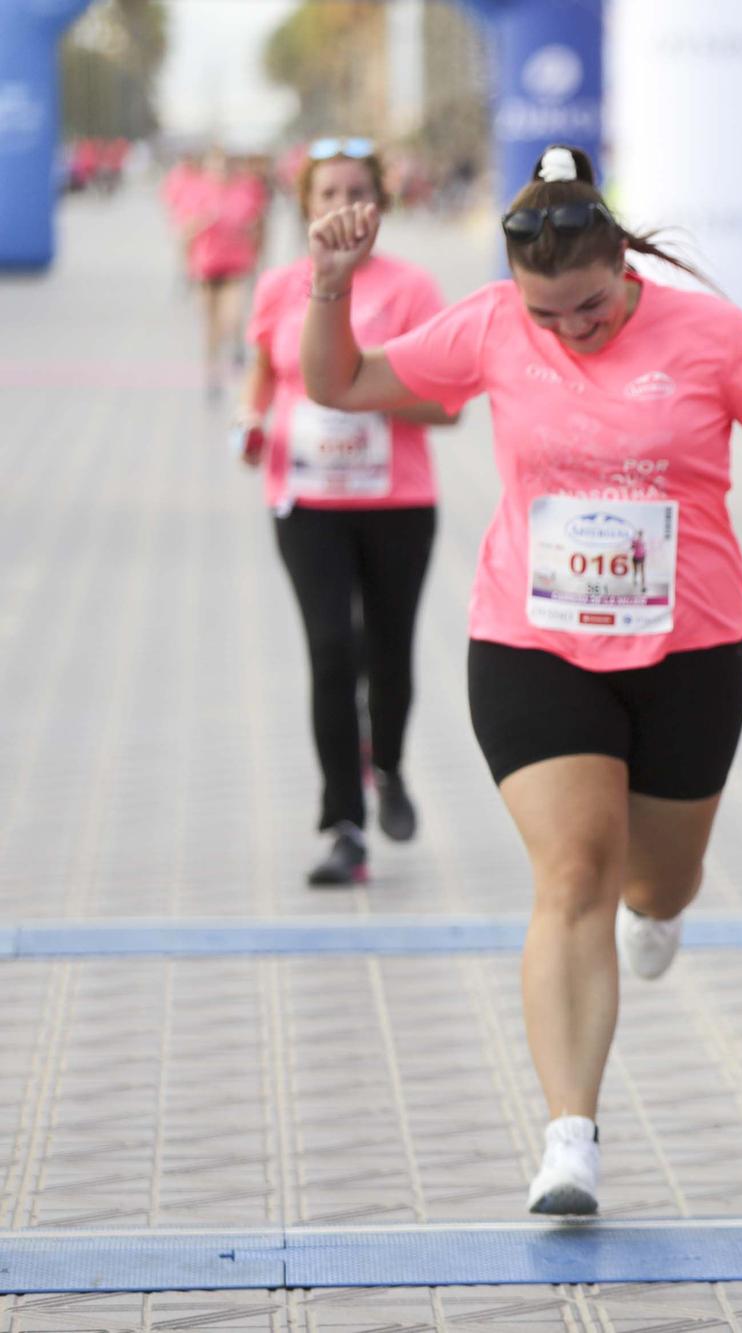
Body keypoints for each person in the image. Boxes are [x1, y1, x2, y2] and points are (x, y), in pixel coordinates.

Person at [300, 143, 742, 1216]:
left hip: (689, 649)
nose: (569, 332)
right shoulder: (485, 325)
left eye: (591, 309)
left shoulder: (704, 330)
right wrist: (330, 286)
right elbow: (337, 382)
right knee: (573, 871)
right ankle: (571, 1135)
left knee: (655, 884)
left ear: (625, 264)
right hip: (532, 641)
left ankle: (656, 912)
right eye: (546, 317)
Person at [235, 138, 454, 887]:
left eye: (356, 192)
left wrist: (365, 395)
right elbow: (262, 375)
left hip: (398, 500)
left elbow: (449, 406)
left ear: (381, 208)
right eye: (326, 194)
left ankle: (387, 766)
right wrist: (249, 421)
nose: (341, 206)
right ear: (304, 207)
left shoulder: (413, 289)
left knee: (388, 649)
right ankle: (344, 822)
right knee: (331, 651)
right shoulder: (277, 287)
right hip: (307, 501)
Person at [181, 149, 268, 400]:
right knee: (210, 326)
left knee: (232, 317)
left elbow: (258, 226)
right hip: (205, 268)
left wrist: (255, 251)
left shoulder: (246, 192)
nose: (221, 172)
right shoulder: (197, 192)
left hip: (235, 267)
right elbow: (184, 231)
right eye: (215, 167)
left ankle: (237, 346)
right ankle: (212, 374)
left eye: (225, 167)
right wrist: (201, 222)